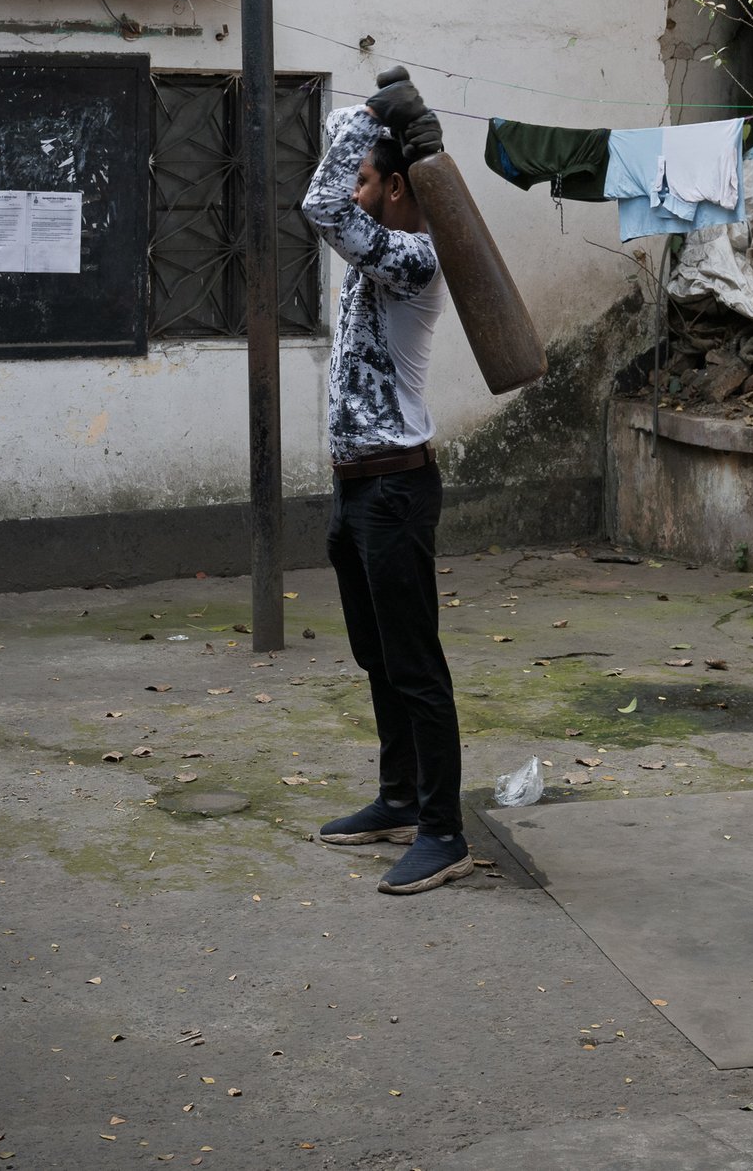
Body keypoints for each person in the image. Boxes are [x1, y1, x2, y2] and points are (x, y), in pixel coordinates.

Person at [299, 75, 470, 895]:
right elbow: (339, 176)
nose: (353, 190)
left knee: (413, 662)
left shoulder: (414, 257)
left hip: (397, 489)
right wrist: (374, 102)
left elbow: (323, 205)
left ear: (394, 186)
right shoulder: (376, 243)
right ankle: (400, 796)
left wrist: (373, 118)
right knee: (377, 656)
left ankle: (443, 828)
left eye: (367, 177)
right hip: (355, 489)